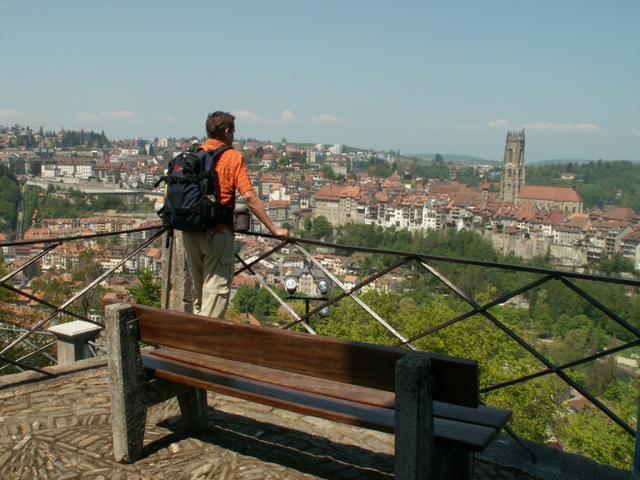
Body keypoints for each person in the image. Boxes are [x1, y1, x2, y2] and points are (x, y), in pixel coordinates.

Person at [182, 111, 287, 318]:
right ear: (227, 131)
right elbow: (249, 198)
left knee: (201, 295)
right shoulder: (232, 157)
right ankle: (203, 348)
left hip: (191, 232)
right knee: (215, 298)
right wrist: (273, 228)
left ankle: (194, 340)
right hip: (217, 234)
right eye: (234, 133)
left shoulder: (194, 154)